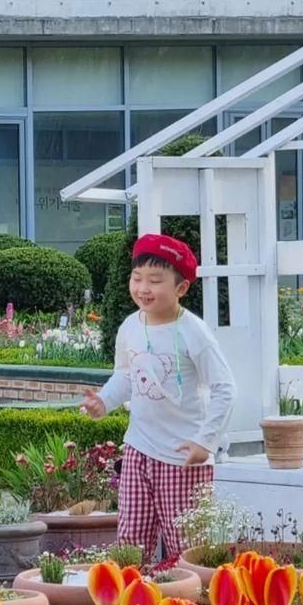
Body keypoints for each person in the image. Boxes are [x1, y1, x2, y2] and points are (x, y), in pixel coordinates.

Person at [83, 233, 235, 568]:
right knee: (129, 542)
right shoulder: (129, 327)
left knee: (188, 547)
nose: (143, 288)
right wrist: (103, 402)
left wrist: (205, 442)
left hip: (184, 457)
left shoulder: (195, 332)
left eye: (155, 280)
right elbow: (126, 375)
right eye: (137, 279)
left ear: (181, 288)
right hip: (138, 448)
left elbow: (225, 388)